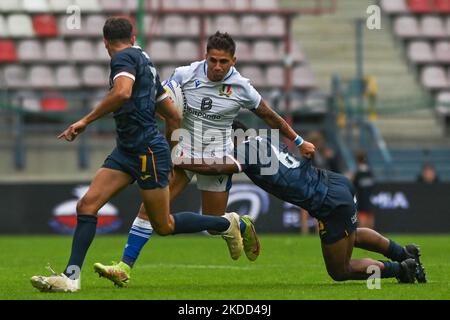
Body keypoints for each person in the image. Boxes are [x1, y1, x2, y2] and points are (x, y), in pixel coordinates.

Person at [29, 18, 249, 293]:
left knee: (164, 225)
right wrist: (172, 152)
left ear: (105, 42)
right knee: (86, 206)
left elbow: (122, 93)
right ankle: (71, 277)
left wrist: (85, 121)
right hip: (127, 151)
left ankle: (228, 223)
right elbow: (172, 113)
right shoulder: (144, 60)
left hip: (146, 153)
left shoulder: (122, 59)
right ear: (133, 37)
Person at [92, 31, 316, 287]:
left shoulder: (242, 87)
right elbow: (162, 101)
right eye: (213, 60)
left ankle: (236, 224)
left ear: (234, 60)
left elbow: (269, 116)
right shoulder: (185, 75)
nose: (217, 66)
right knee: (150, 210)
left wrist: (299, 141)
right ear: (205, 57)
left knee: (212, 225)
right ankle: (124, 267)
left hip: (216, 160)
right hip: (182, 154)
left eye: (223, 61)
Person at [173, 120, 427, 284]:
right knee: (351, 234)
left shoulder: (245, 151)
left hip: (326, 201)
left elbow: (216, 168)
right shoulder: (265, 139)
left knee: (339, 271)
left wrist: (181, 160)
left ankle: (400, 270)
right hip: (335, 183)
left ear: (232, 137)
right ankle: (403, 253)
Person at [353, 150, 376, 229]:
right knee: (370, 223)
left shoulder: (358, 173)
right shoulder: (370, 172)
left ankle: (363, 238)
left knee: (362, 225)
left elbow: (353, 186)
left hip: (361, 201)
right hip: (369, 200)